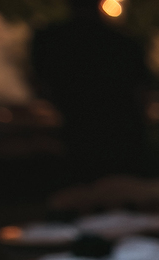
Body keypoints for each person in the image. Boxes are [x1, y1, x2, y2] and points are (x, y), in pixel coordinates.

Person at [31, 0, 150, 181]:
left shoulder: (50, 41)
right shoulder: (123, 42)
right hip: (124, 139)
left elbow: (41, 84)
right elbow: (142, 92)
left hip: (79, 139)